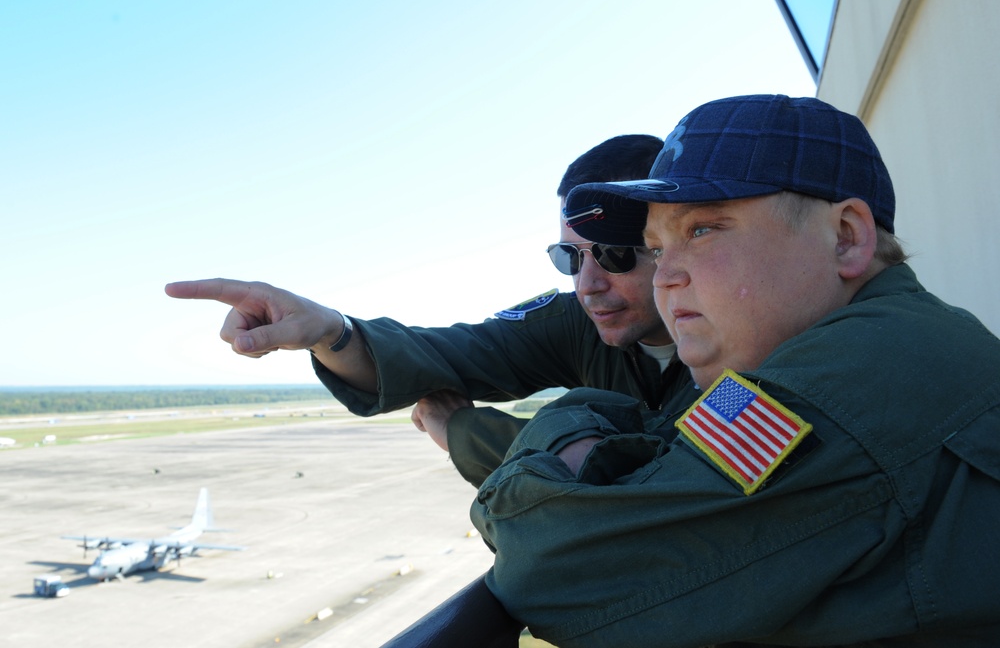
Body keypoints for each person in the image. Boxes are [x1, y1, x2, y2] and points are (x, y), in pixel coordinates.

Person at [468, 94, 1000, 646]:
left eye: (701, 230)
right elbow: (677, 440)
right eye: (654, 246)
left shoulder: (843, 380)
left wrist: (558, 425)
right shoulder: (875, 341)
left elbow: (551, 569)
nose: (664, 276)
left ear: (846, 237)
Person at [165, 135, 691, 486]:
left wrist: (463, 431)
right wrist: (330, 331)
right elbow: (444, 355)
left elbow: (659, 488)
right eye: (569, 258)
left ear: (673, 244)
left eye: (616, 255)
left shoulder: (750, 341)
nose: (588, 284)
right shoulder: (577, 323)